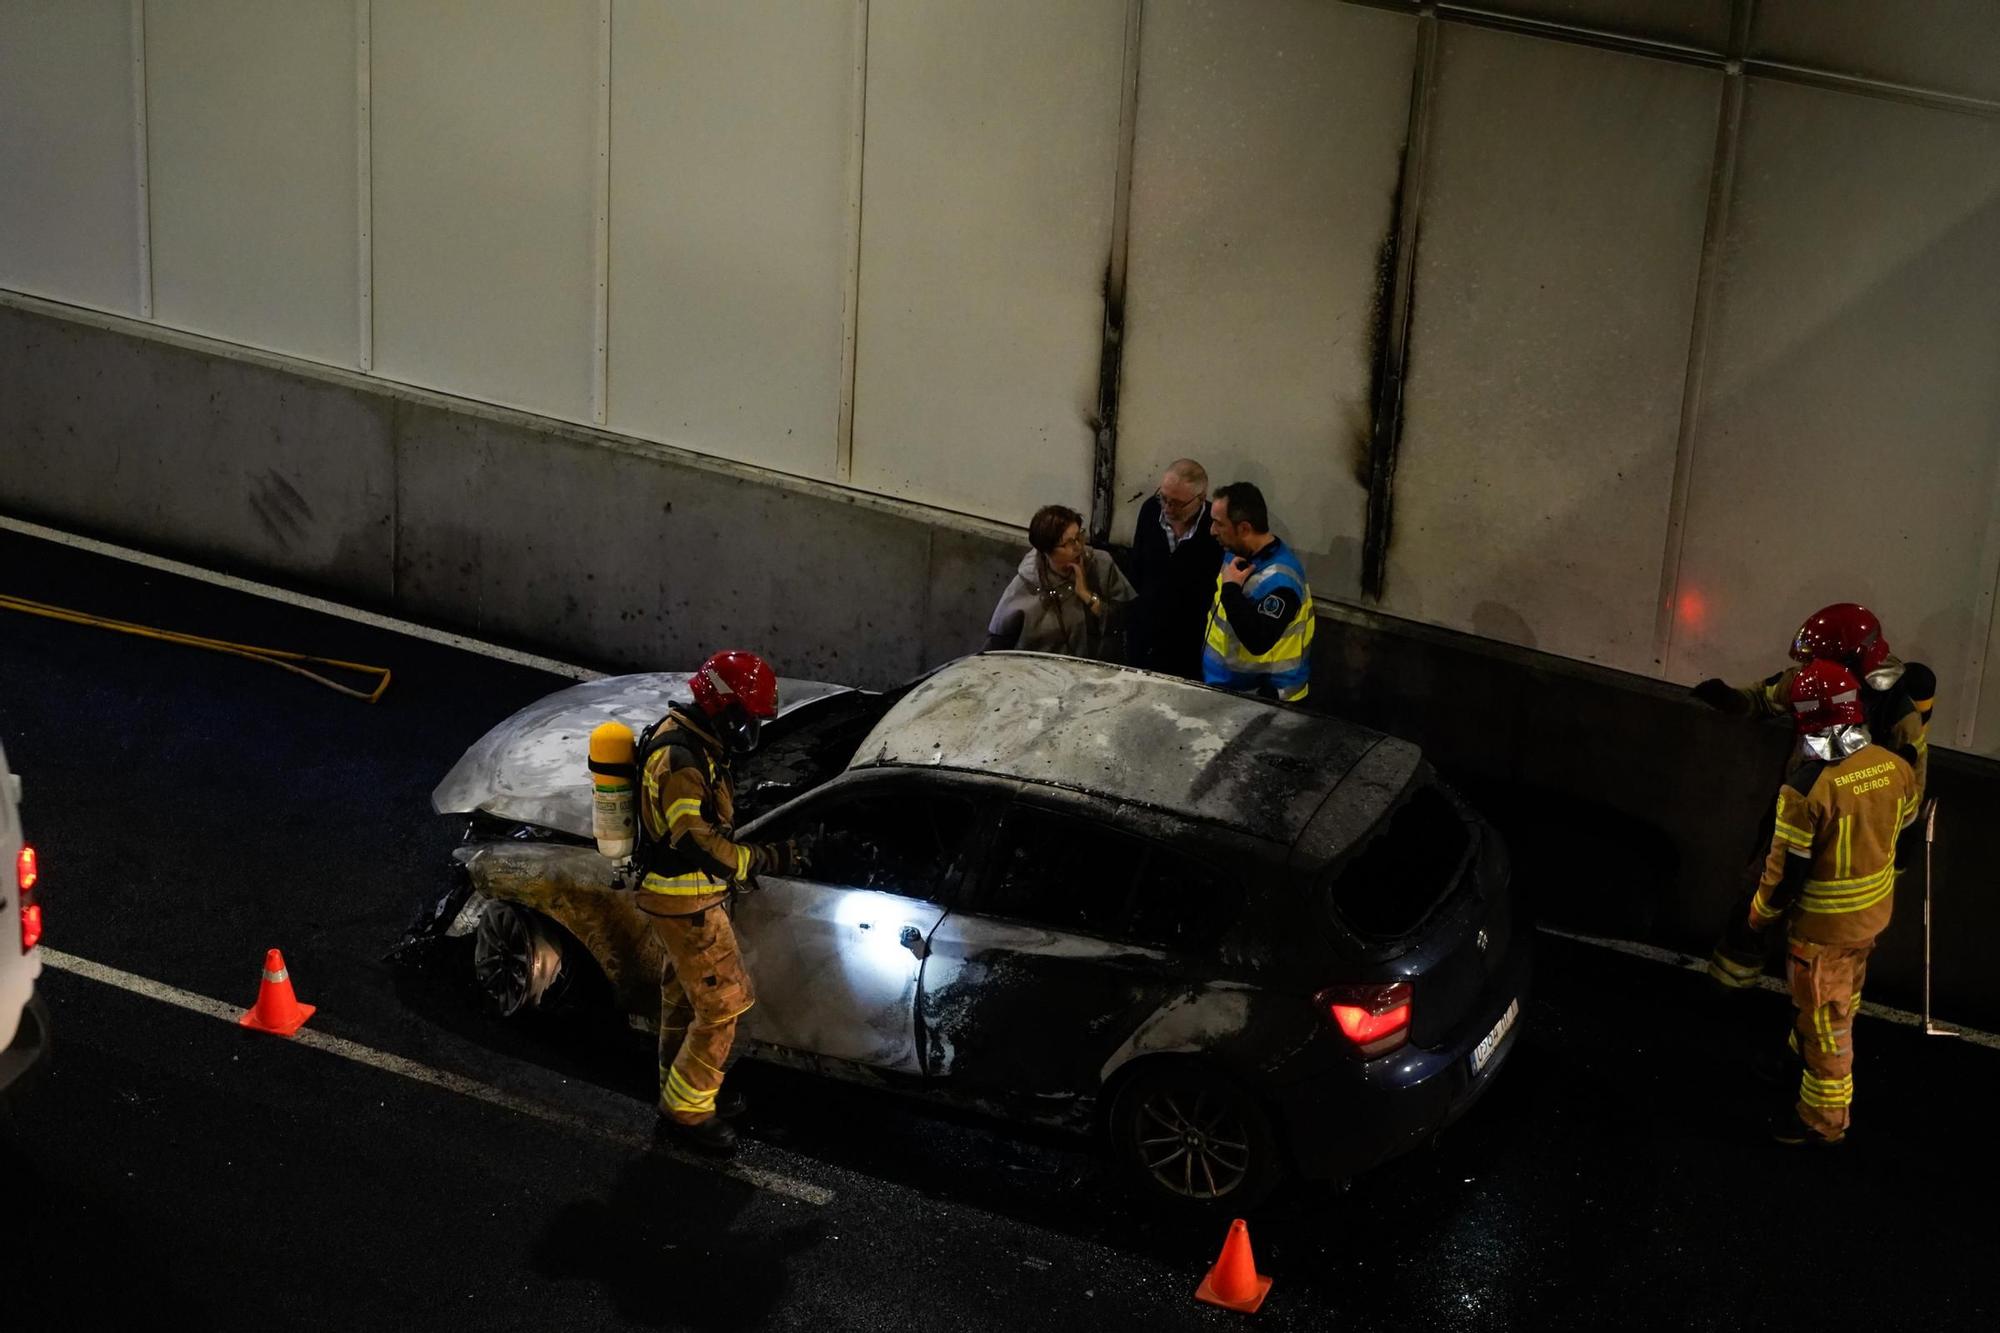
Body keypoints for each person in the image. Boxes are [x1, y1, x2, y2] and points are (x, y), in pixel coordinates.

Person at [1694, 603, 1935, 990]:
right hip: (1798, 808)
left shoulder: (1897, 710)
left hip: (1849, 832)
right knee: (1759, 894)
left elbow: (1912, 791)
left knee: (1821, 935)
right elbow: (1766, 697)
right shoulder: (1812, 682)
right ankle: (1730, 982)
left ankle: (1813, 1013)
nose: (1809, 671)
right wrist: (1731, 700)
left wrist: (1896, 856)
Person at [633, 649, 807, 1157]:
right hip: (686, 901)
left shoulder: (692, 739)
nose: (750, 728)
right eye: (747, 717)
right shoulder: (683, 757)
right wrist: (765, 858)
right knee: (724, 1006)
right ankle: (687, 1110)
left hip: (678, 898)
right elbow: (695, 839)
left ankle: (682, 1085)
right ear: (723, 706)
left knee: (685, 999)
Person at [1743, 660, 1917, 1146]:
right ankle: (1799, 1066)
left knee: (1826, 1026)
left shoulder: (1806, 789)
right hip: (1871, 918)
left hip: (1822, 932)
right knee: (1840, 1003)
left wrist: (1758, 918)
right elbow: (1900, 838)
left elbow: (1783, 878)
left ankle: (1823, 1122)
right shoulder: (1895, 766)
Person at [1201, 482, 1314, 702]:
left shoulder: (1282, 580)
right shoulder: (1235, 553)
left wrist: (1231, 589)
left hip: (1267, 702)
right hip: (1227, 690)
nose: (1212, 530)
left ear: (1244, 528)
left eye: (1218, 524)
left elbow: (1258, 640)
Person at [985, 503, 1136, 658]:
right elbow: (997, 642)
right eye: (1068, 543)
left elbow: (1127, 620)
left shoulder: (1100, 564)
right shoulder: (1028, 582)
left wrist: (1087, 596)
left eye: (1079, 537)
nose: (1078, 547)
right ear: (1047, 551)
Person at [1126, 458, 1223, 680]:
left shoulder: (1214, 528)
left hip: (1191, 641)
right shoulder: (1151, 510)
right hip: (1146, 635)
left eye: (1177, 503)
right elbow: (1137, 568)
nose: (1168, 508)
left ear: (1201, 498)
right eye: (1164, 498)